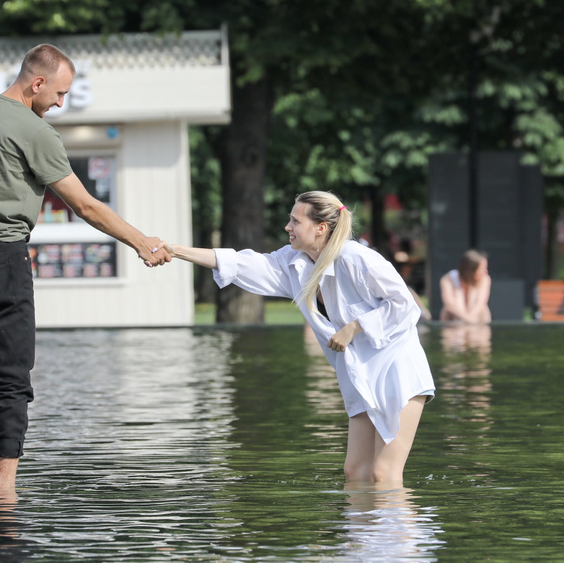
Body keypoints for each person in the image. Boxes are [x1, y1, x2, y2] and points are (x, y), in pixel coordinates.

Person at [0, 43, 170, 491]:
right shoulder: (34, 131)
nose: (60, 103)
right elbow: (84, 204)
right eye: (59, 93)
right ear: (37, 82)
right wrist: (141, 242)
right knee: (10, 383)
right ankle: (5, 493)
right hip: (2, 263)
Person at [161, 191, 435, 486]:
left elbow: (405, 304)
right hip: (360, 378)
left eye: (295, 220)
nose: (287, 227)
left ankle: (405, 533)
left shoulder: (356, 257)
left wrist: (355, 326)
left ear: (320, 228)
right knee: (355, 473)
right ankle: (364, 534)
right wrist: (176, 251)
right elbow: (240, 263)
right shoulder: (293, 261)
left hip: (396, 373)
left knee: (384, 474)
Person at [439, 250, 491, 324]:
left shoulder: (485, 279)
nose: (485, 271)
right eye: (482, 268)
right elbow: (449, 304)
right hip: (453, 322)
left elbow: (481, 303)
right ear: (470, 270)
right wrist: (468, 319)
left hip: (478, 322)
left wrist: (470, 319)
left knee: (483, 309)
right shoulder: (447, 279)